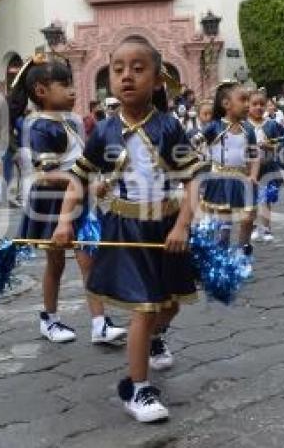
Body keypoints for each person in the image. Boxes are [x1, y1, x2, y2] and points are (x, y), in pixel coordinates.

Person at [52, 35, 206, 423]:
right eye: (118, 69)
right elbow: (79, 180)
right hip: (125, 227)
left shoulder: (169, 127)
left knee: (170, 304)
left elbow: (191, 181)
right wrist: (64, 221)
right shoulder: (102, 131)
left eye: (138, 69)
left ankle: (156, 337)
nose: (127, 76)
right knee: (143, 306)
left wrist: (183, 225)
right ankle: (137, 388)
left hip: (168, 226)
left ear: (157, 80)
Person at [10, 54, 127, 345]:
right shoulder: (40, 126)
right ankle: (49, 319)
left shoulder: (70, 123)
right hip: (52, 203)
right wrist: (84, 183)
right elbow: (47, 174)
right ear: (41, 91)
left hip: (79, 200)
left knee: (89, 259)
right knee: (56, 263)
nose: (72, 90)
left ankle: (99, 322)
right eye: (64, 84)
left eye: (72, 83)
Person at [200, 81, 259, 249]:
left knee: (248, 217)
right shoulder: (214, 126)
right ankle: (221, 252)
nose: (248, 105)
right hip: (220, 178)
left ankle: (243, 250)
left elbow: (254, 156)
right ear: (226, 104)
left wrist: (253, 175)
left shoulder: (249, 129)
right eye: (243, 100)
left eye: (249, 100)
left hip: (243, 179)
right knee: (224, 220)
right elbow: (192, 144)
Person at [248, 90, 282, 243]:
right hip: (249, 169)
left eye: (262, 104)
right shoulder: (244, 125)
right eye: (254, 104)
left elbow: (278, 145)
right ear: (248, 106)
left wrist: (269, 146)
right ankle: (253, 227)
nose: (258, 107)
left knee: (267, 198)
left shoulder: (271, 124)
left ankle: (267, 228)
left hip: (268, 167)